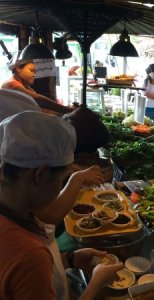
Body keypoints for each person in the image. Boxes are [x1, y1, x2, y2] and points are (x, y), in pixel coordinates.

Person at [0, 111, 123, 299]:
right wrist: (96, 283)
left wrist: (70, 259)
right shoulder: (29, 255)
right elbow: (29, 268)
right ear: (39, 175)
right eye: (60, 181)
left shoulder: (15, 212)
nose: (60, 187)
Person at [1, 52, 73, 115]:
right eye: (31, 70)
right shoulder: (10, 84)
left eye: (35, 72)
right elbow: (38, 99)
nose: (34, 75)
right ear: (18, 69)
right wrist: (68, 110)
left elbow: (41, 109)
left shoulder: (27, 88)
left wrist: (60, 112)